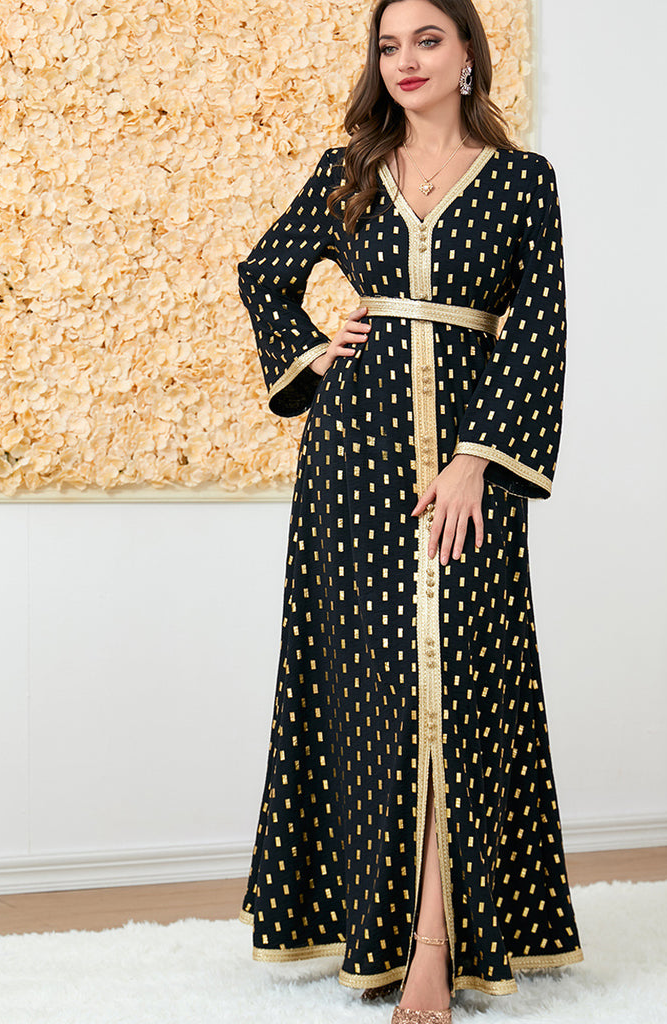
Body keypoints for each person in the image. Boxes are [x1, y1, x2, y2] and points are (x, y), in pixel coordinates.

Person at [237, 1, 581, 1020]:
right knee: (377, 694)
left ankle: (436, 944)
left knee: (460, 687)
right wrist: (313, 353)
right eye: (389, 46)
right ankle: (380, 930)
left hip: (472, 468)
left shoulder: (522, 182)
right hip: (354, 461)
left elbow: (540, 330)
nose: (406, 61)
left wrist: (477, 460)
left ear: (468, 51)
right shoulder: (349, 170)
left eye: (427, 40)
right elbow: (262, 274)